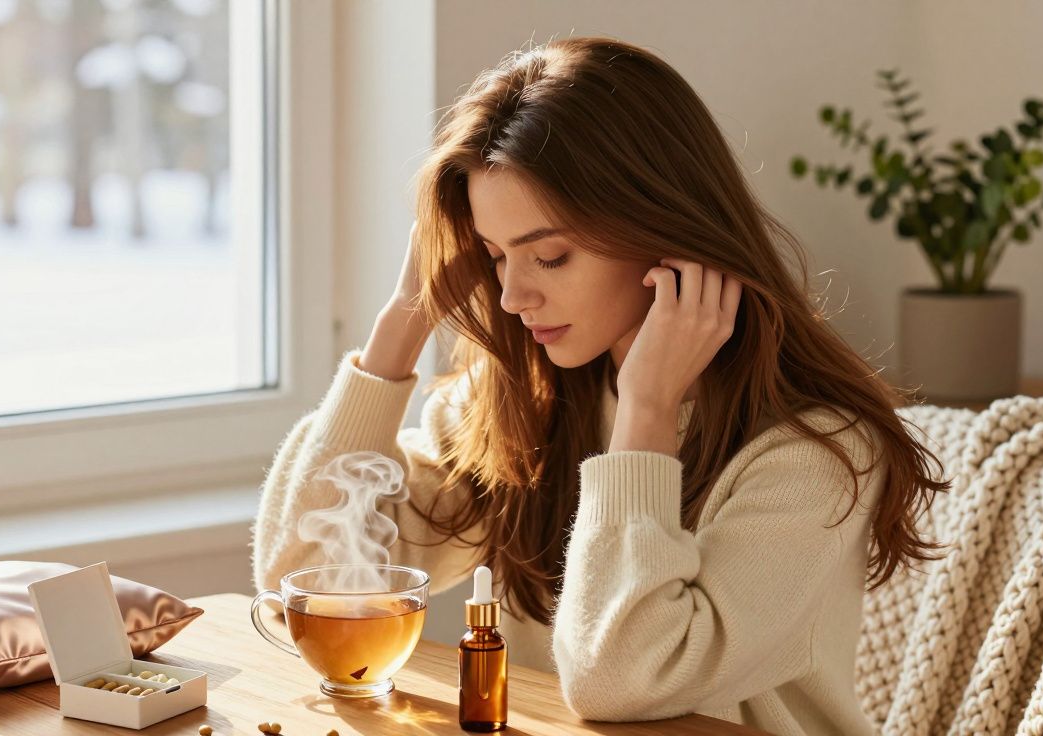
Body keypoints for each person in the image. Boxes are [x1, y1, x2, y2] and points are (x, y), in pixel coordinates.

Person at [252, 36, 948, 735]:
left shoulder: (818, 452)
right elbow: (303, 579)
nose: (514, 296)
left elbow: (619, 680)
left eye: (551, 256)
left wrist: (647, 410)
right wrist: (405, 319)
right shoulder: (522, 403)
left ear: (663, 227)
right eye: (495, 257)